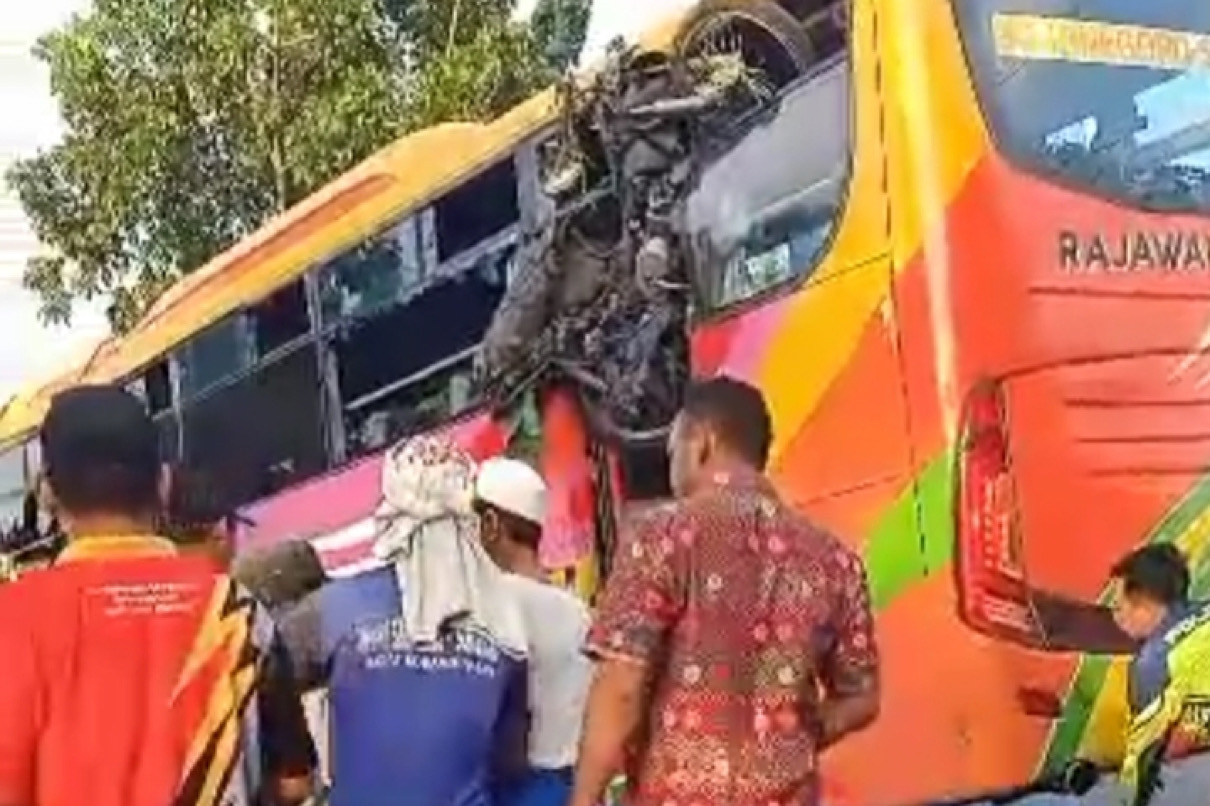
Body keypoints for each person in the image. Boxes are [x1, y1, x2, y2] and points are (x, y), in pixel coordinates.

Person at [0, 384, 316, 806]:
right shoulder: (238, 613)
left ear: (46, 493)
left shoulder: (13, 620)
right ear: (163, 482)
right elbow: (295, 783)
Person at [571, 377, 881, 806]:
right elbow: (861, 696)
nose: (672, 467)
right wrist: (794, 739)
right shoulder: (835, 561)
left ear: (702, 442)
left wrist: (584, 799)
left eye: (673, 451)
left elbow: (621, 687)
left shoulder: (662, 535)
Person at [278, 434, 530, 806]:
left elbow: (265, 678)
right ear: (469, 519)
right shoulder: (507, 624)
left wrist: (297, 768)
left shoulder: (334, 608)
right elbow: (510, 763)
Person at [474, 456, 592, 806]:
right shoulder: (575, 609)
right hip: (568, 784)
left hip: (513, 789)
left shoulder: (491, 600)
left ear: (490, 524)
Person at [1110, 544, 1210, 806]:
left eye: (1118, 607)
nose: (1116, 618)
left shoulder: (1153, 664)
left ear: (1144, 605)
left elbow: (1144, 755)